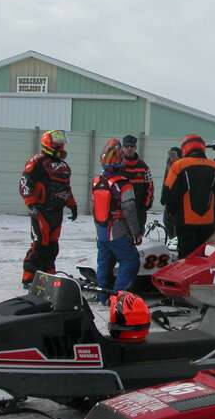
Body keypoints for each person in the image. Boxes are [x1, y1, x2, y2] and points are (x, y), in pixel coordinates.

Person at [18, 130, 77, 287]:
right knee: (39, 245)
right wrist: (30, 203)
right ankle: (29, 277)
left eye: (61, 141)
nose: (61, 144)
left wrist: (72, 205)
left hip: (57, 212)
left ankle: (48, 274)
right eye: (57, 142)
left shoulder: (64, 166)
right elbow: (24, 183)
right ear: (48, 143)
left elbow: (66, 188)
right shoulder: (36, 161)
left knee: (53, 246)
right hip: (40, 211)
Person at [161, 134, 215, 258]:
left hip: (185, 224)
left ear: (185, 148)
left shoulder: (178, 166)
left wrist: (175, 215)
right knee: (204, 258)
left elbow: (167, 196)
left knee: (186, 259)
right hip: (208, 224)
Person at [91, 138, 142, 305]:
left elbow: (95, 208)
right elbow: (130, 210)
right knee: (130, 260)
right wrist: (136, 232)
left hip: (101, 232)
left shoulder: (97, 181)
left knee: (104, 265)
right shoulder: (123, 183)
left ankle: (102, 297)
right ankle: (118, 299)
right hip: (118, 231)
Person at [121, 134, 153, 234]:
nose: (129, 149)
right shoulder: (116, 166)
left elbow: (150, 186)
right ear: (123, 148)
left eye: (132, 146)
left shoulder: (143, 166)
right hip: (121, 211)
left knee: (138, 239)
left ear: (135, 148)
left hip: (139, 211)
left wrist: (146, 204)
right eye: (127, 146)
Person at [161, 146, 181, 236]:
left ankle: (176, 241)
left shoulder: (181, 165)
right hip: (168, 197)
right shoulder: (169, 164)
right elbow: (166, 181)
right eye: (170, 154)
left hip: (178, 200)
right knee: (166, 221)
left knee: (176, 224)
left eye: (173, 154)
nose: (171, 156)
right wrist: (163, 195)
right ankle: (171, 239)